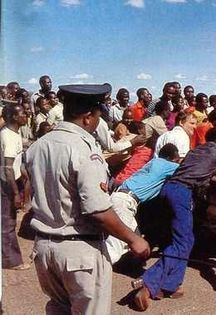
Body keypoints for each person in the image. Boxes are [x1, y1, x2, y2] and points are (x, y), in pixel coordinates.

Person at [26, 84, 150, 314]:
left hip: (44, 248)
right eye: (97, 115)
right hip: (79, 250)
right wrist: (133, 239)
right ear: (87, 117)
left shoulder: (39, 145)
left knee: (59, 309)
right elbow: (98, 211)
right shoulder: (84, 150)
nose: (97, 121)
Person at [133, 128, 216, 311]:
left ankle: (171, 285)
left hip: (168, 191)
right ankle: (149, 284)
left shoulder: (195, 150)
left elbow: (198, 172)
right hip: (182, 193)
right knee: (182, 242)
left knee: (185, 240)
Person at [106, 143, 180, 263]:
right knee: (116, 246)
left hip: (119, 197)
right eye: (176, 160)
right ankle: (96, 271)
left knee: (135, 239)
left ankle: (127, 264)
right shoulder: (167, 165)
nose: (177, 163)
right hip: (126, 202)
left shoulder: (153, 163)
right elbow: (187, 169)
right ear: (170, 159)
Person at [1, 103, 30, 270]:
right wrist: (15, 193)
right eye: (22, 113)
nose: (25, 115)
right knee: (7, 223)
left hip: (11, 182)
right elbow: (7, 168)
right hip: (5, 185)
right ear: (13, 117)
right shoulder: (8, 137)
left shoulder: (14, 134)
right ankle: (10, 261)